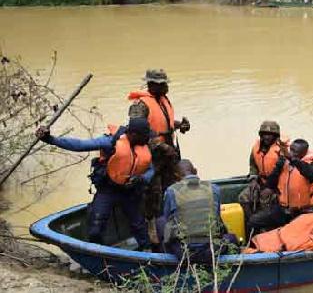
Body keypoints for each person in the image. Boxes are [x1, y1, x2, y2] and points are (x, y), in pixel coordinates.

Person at [36, 118, 155, 249]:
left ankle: (147, 250)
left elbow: (151, 169)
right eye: (145, 136)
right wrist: (50, 139)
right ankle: (97, 251)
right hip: (108, 189)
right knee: (96, 225)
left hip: (131, 191)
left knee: (138, 224)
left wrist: (142, 178)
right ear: (134, 135)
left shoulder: (143, 146)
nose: (148, 139)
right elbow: (80, 145)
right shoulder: (110, 141)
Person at [128, 69, 191, 241]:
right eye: (162, 84)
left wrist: (180, 125)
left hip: (169, 154)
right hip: (152, 156)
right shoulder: (139, 106)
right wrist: (161, 146)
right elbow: (136, 132)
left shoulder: (163, 100)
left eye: (166, 83)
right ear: (151, 85)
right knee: (153, 193)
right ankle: (153, 232)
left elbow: (165, 123)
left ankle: (176, 224)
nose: (166, 87)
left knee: (175, 188)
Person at [158, 159, 236, 262]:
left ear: (176, 176)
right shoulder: (213, 188)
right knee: (232, 238)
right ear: (195, 171)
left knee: (160, 222)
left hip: (185, 253)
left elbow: (169, 222)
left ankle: (165, 261)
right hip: (211, 250)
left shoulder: (171, 191)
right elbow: (216, 219)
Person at [247, 139, 313, 233]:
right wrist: (268, 188)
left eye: (295, 152)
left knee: (291, 234)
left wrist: (292, 158)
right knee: (253, 220)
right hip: (283, 209)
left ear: (304, 152)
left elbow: (311, 174)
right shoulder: (284, 161)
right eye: (291, 150)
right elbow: (272, 179)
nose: (291, 153)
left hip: (303, 212)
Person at [238, 121, 288, 221]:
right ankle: (251, 221)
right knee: (243, 197)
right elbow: (253, 166)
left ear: (276, 136)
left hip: (278, 186)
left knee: (266, 202)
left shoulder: (282, 150)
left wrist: (271, 188)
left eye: (270, 135)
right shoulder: (256, 147)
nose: (267, 137)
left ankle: (265, 226)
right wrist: (253, 180)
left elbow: (285, 173)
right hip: (261, 182)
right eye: (265, 134)